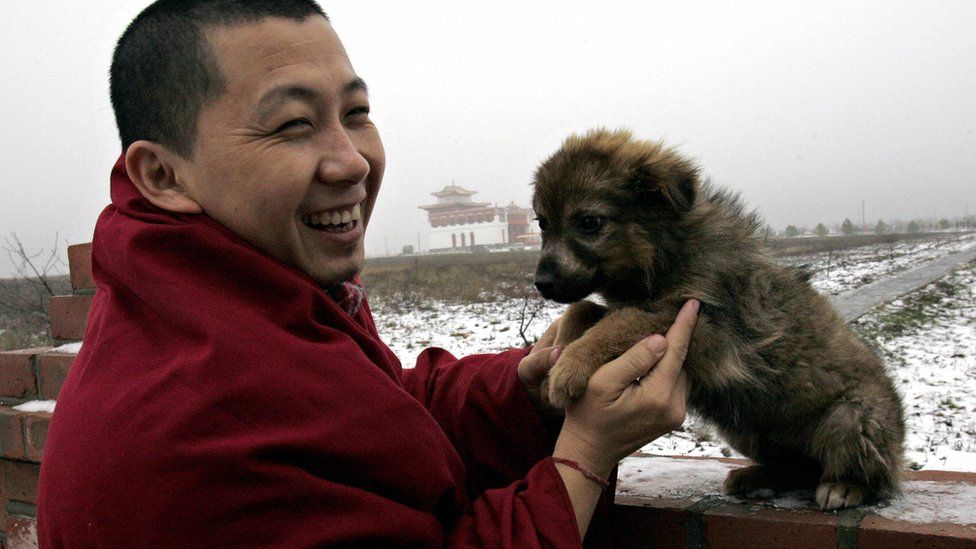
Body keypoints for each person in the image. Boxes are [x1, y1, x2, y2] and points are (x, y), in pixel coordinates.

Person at [36, 1, 696, 547]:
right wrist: (583, 454)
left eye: (355, 113)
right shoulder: (195, 438)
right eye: (293, 124)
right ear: (163, 174)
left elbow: (373, 414)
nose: (351, 161)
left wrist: (524, 389)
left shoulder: (228, 290)